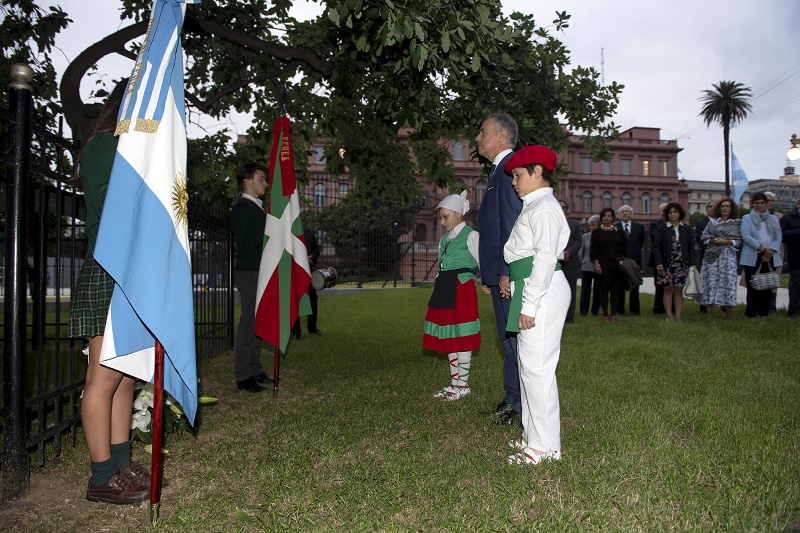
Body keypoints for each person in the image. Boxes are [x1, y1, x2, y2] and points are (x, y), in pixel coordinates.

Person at [69, 81, 150, 504]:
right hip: (108, 267)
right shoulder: (104, 146)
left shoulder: (131, 147)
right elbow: (113, 208)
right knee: (102, 378)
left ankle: (120, 463)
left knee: (125, 375)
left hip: (128, 270)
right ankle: (101, 476)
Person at [501, 145, 570, 465]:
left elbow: (544, 258)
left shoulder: (543, 208)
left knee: (538, 368)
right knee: (529, 366)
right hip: (530, 285)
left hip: (540, 289)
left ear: (538, 171)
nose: (514, 182)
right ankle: (534, 436)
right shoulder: (535, 205)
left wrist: (529, 305)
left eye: (517, 175)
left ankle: (545, 447)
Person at [475, 113, 523, 426]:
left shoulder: (509, 171)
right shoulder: (498, 171)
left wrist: (506, 270)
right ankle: (511, 398)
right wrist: (489, 274)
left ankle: (521, 407)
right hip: (498, 273)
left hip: (507, 273)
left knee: (516, 340)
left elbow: (512, 225)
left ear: (502, 137)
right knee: (507, 339)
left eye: (483, 132)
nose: (477, 138)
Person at [423, 191, 480, 400]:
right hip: (445, 287)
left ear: (458, 214)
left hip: (462, 288)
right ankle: (455, 383)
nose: (442, 221)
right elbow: (442, 264)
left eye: (445, 216)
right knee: (450, 334)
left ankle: (463, 386)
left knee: (462, 334)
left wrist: (488, 283)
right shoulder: (444, 239)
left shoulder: (471, 236)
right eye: (440, 217)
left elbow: (482, 261)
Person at [230, 162, 273, 393]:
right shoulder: (241, 208)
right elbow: (247, 242)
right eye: (261, 179)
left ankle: (254, 369)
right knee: (249, 323)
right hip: (250, 272)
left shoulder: (256, 208)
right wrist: (271, 227)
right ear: (247, 180)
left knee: (258, 322)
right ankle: (243, 375)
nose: (265, 183)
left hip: (259, 270)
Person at [740, 192, 783, 318]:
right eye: (756, 203)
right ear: (752, 204)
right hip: (754, 255)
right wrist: (762, 249)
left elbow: (778, 236)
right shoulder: (747, 218)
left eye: (762, 203)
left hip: (770, 255)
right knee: (753, 285)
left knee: (767, 284)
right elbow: (746, 237)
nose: (759, 205)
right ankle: (751, 313)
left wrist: (771, 250)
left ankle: (764, 313)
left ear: (766, 203)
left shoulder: (773, 218)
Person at [698, 197, 741, 320]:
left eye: (727, 206)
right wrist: (714, 241)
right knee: (710, 282)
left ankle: (729, 315)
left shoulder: (736, 223)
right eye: (722, 206)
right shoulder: (712, 223)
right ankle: (709, 315)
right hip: (711, 257)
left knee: (728, 283)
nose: (724, 208)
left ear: (732, 208)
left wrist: (725, 242)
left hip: (728, 257)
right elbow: (704, 239)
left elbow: (738, 241)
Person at [653, 202, 695, 322]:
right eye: (670, 212)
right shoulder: (662, 228)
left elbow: (691, 247)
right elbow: (657, 247)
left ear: (680, 213)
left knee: (678, 290)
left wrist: (692, 263)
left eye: (675, 212)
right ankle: (669, 316)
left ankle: (678, 316)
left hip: (682, 263)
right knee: (668, 289)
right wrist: (659, 262)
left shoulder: (687, 229)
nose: (672, 214)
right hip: (667, 264)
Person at [590, 207, 628, 323]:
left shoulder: (619, 232)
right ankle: (605, 315)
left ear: (612, 218)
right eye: (604, 216)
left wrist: (624, 262)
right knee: (604, 290)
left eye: (608, 216)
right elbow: (593, 250)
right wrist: (596, 264)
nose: (606, 218)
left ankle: (614, 315)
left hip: (616, 265)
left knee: (615, 290)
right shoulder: (596, 232)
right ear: (601, 218)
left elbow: (625, 249)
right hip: (602, 265)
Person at [291, 227, 322, 339]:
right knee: (294, 300)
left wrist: (311, 258)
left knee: (313, 299)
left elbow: (317, 248)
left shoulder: (309, 232)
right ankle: (296, 332)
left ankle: (312, 328)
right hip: (293, 272)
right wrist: (301, 259)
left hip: (309, 271)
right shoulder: (288, 232)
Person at [614, 205, 645, 315]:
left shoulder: (640, 227)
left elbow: (641, 243)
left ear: (631, 214)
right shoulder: (615, 228)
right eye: (622, 211)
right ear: (619, 215)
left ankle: (635, 310)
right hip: (620, 260)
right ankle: (619, 310)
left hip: (634, 260)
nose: (624, 213)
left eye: (627, 211)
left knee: (635, 284)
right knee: (620, 285)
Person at [558, 200, 582, 323]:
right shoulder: (551, 223)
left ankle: (570, 317)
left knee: (571, 290)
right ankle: (558, 316)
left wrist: (569, 253)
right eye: (559, 207)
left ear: (567, 210)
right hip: (555, 263)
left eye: (563, 207)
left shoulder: (574, 225)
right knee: (556, 291)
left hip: (571, 263)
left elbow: (578, 241)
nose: (561, 209)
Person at [694, 200, 717, 314]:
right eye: (709, 206)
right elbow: (699, 238)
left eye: (714, 206)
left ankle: (722, 303)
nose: (712, 208)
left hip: (722, 256)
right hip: (707, 255)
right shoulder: (701, 223)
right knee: (706, 281)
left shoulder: (724, 222)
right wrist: (714, 242)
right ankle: (704, 305)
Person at [780, 197, 800, 318]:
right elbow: (782, 235)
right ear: (798, 204)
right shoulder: (788, 218)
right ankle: (795, 312)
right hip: (796, 257)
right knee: (796, 285)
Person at [578, 215, 601, 316]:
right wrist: (579, 264)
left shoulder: (603, 236)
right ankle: (583, 310)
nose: (591, 227)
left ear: (599, 225)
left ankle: (595, 311)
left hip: (598, 267)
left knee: (598, 289)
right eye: (590, 225)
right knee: (585, 290)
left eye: (594, 225)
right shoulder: (585, 236)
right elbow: (581, 252)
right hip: (586, 266)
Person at [648, 203, 669, 315]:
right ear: (659, 212)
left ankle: (671, 306)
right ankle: (658, 307)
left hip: (672, 258)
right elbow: (656, 238)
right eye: (663, 211)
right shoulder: (654, 225)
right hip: (658, 258)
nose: (665, 213)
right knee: (659, 284)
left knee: (671, 284)